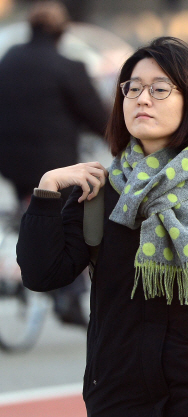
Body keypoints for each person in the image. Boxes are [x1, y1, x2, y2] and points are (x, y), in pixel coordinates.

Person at [17, 36, 188, 417]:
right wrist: (48, 191)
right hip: (117, 396)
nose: (142, 99)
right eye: (133, 88)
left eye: (160, 89)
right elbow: (41, 274)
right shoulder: (100, 192)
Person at [0, 1, 109, 326]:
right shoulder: (68, 66)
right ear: (62, 32)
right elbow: (96, 115)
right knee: (70, 213)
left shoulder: (9, 60)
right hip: (53, 159)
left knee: (30, 201)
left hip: (9, 160)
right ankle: (69, 293)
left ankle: (26, 241)